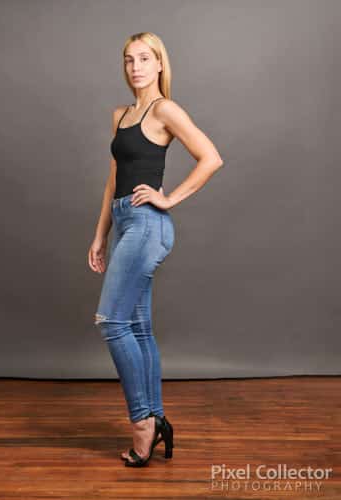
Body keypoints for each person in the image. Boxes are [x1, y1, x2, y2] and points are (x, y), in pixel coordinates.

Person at [88, 32, 224, 467]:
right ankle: (157, 417)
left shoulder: (164, 109)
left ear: (160, 63)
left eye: (144, 59)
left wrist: (169, 198)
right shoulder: (121, 115)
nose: (136, 67)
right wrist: (99, 235)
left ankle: (142, 422)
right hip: (124, 218)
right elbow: (114, 180)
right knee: (139, 328)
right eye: (129, 60)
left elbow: (210, 157)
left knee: (112, 322)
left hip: (149, 224)